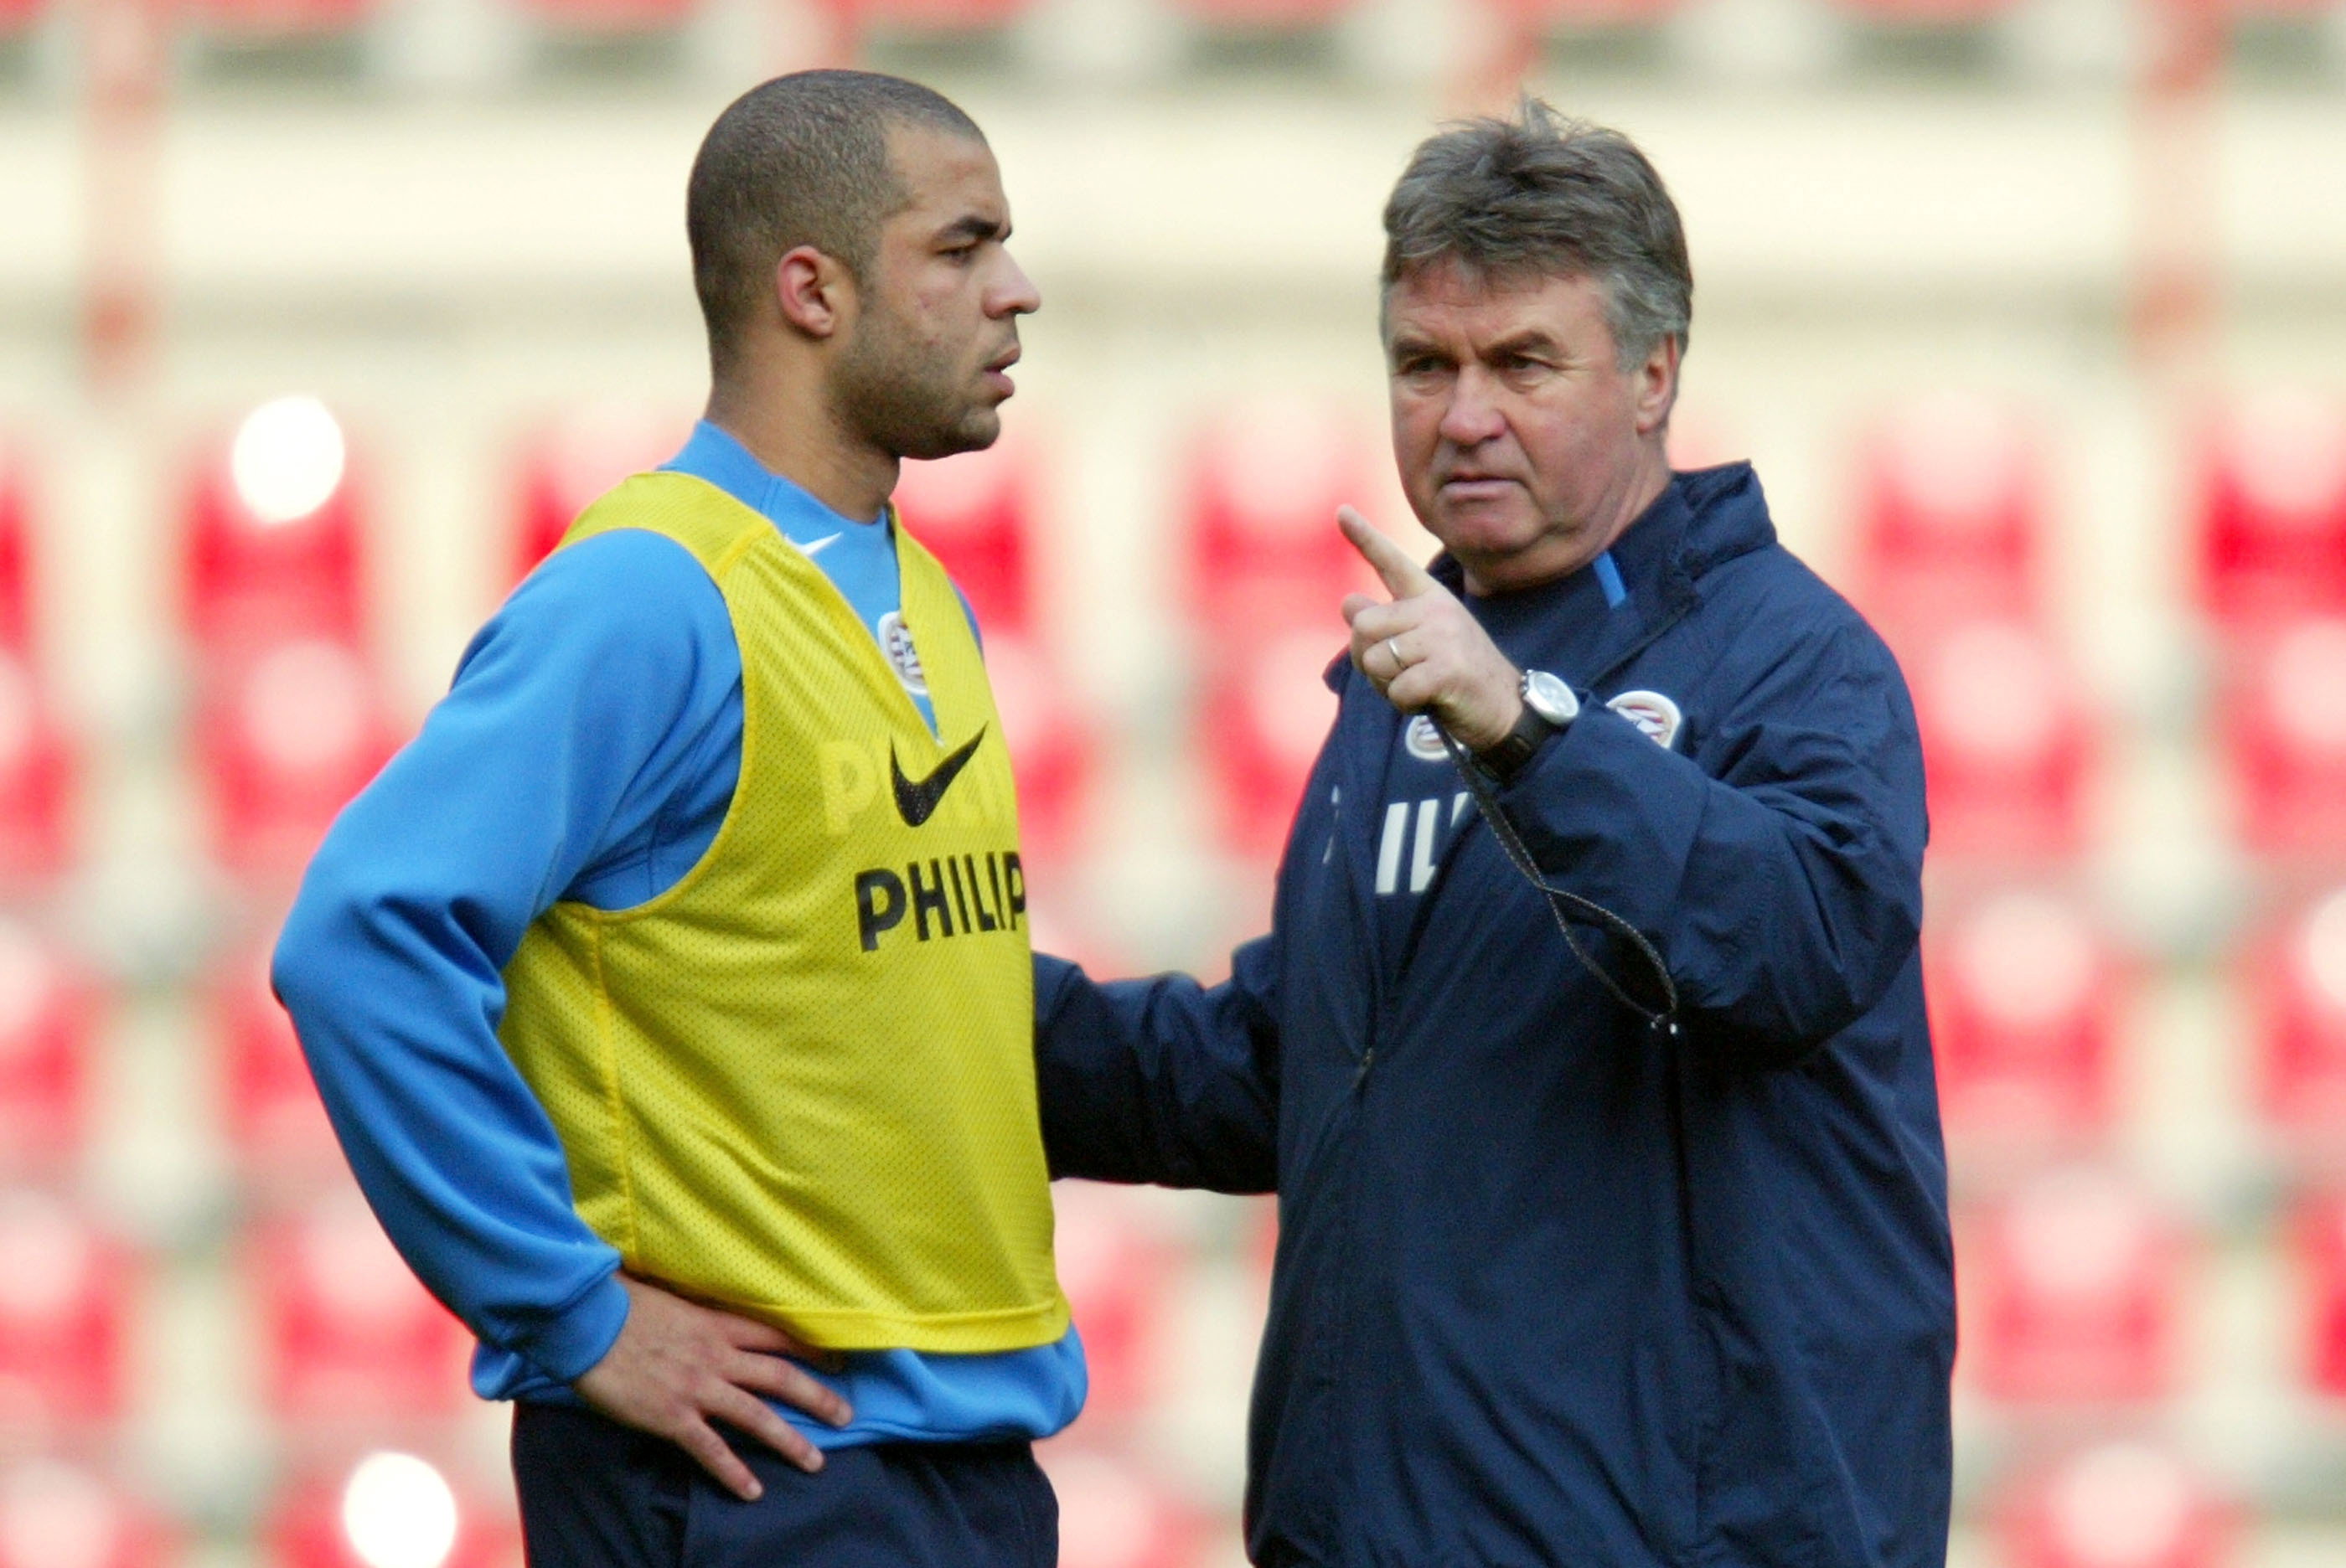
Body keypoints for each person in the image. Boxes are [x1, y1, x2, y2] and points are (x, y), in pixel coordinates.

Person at [1035, 101, 1954, 1567]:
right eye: (1424, 364)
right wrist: (947, 1009)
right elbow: (1299, 1067)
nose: (1463, 415)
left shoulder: (1793, 661)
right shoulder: (1401, 683)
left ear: (1655, 374)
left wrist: (1527, 732)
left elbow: (1795, 948)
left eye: (1524, 362)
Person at [272, 70, 1078, 1568]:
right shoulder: (650, 594)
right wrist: (574, 1314)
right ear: (812, 290)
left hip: (951, 1466)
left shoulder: (919, 587)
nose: (1016, 292)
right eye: (963, 250)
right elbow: (358, 940)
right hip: (761, 1475)